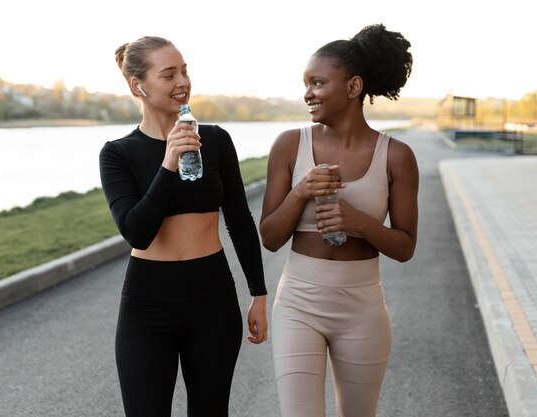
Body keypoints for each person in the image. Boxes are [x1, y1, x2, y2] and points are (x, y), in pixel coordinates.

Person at [99, 36, 268, 417]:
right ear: (137, 85)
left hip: (213, 301)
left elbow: (240, 220)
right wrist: (168, 163)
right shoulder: (118, 153)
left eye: (185, 70)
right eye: (169, 74)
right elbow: (136, 231)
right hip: (148, 306)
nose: (183, 81)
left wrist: (258, 294)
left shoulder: (216, 139)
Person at [260, 24, 419, 417]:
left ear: (353, 87)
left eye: (317, 83)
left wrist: (357, 222)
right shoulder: (289, 145)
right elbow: (269, 236)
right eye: (305, 84)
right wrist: (301, 192)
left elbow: (405, 247)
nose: (307, 94)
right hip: (298, 303)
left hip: (363, 308)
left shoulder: (396, 156)